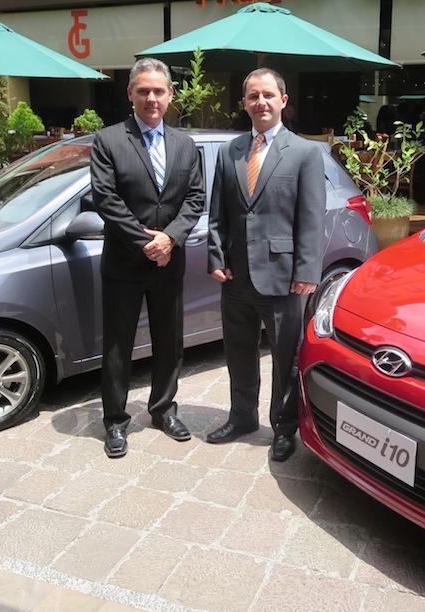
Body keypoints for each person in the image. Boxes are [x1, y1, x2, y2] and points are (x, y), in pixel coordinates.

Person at [205, 68, 326, 462]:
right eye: (253, 96)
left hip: (283, 277)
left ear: (283, 101)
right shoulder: (230, 151)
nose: (261, 102)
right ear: (244, 103)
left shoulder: (305, 152)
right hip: (236, 276)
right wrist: (216, 256)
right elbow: (218, 213)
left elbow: (312, 217)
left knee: (285, 357)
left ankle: (284, 427)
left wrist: (307, 271)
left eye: (268, 95)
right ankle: (241, 417)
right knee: (238, 352)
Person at [90, 58, 205, 458]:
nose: (151, 98)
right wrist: (146, 242)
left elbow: (195, 199)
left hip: (168, 263)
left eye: (159, 91)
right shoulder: (108, 141)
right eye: (144, 91)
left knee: (169, 341)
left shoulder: (185, 145)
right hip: (124, 262)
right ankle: (115, 421)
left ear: (170, 95)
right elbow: (106, 199)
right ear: (130, 94)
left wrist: (170, 239)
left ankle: (163, 410)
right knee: (117, 345)